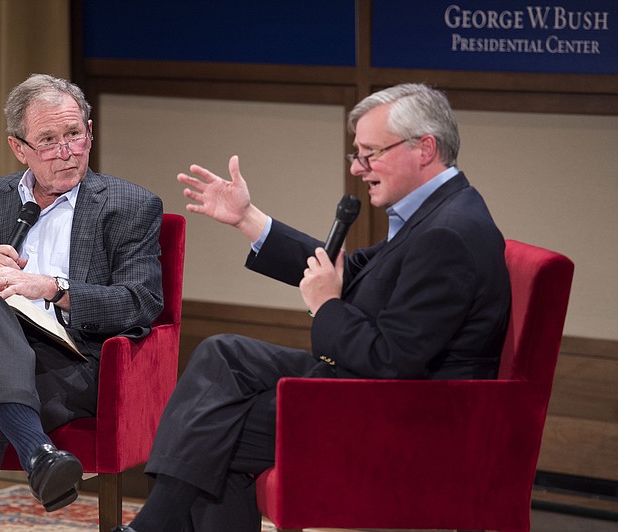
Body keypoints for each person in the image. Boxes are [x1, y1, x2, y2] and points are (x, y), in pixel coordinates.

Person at [113, 83, 511, 532]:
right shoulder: (434, 213)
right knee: (222, 354)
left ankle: (152, 525)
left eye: (370, 153)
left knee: (212, 429)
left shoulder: (448, 235)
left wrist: (326, 307)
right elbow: (350, 270)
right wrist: (249, 219)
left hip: (410, 419)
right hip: (372, 390)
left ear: (425, 148)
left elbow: (392, 361)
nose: (360, 168)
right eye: (356, 155)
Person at [0, 73, 164, 532]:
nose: (66, 151)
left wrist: (53, 288)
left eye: (74, 135)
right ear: (18, 147)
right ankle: (39, 452)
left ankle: (21, 461)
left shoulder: (130, 205)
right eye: (47, 140)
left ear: (89, 132)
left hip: (64, 365)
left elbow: (140, 303)